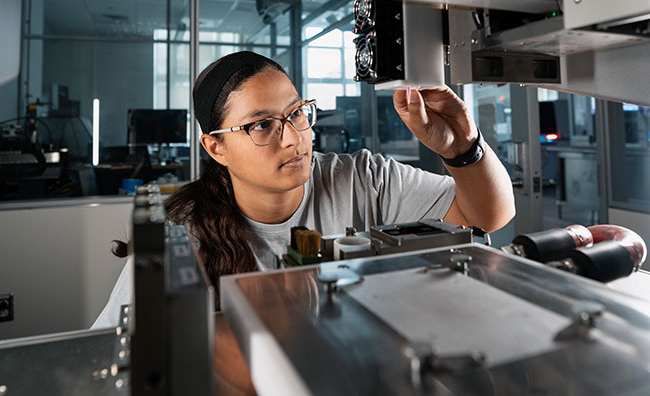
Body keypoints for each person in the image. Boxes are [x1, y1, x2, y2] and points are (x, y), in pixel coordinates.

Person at [93, 50, 514, 327]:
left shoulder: (361, 179)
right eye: (261, 125)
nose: (294, 138)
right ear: (216, 147)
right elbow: (111, 349)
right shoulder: (182, 238)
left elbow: (486, 217)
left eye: (296, 113)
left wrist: (462, 147)